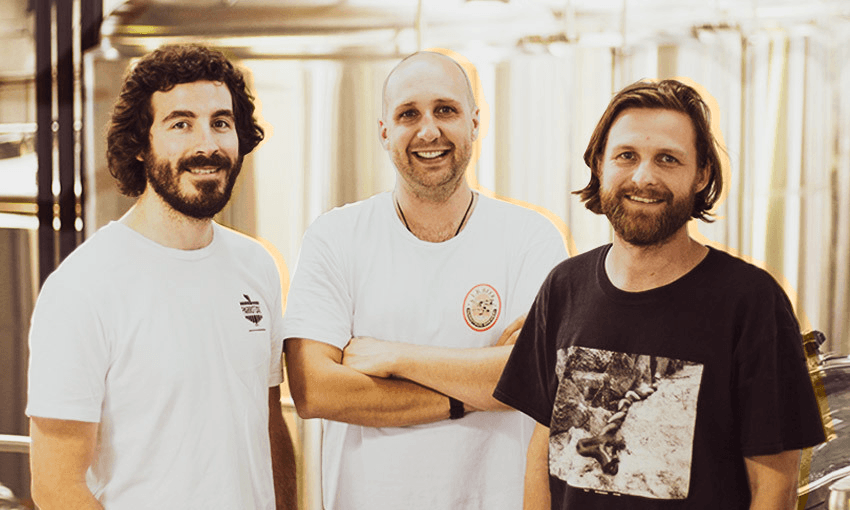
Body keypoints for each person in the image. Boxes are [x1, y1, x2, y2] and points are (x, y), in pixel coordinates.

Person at [494, 79, 826, 509]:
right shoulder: (564, 287)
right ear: (599, 165)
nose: (644, 177)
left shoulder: (751, 302)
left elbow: (773, 488)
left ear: (701, 174)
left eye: (668, 159)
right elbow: (543, 453)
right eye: (626, 156)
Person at [281, 50, 568, 509]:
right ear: (384, 132)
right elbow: (314, 389)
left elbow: (534, 375)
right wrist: (468, 392)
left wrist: (394, 357)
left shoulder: (531, 239)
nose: (428, 130)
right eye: (408, 114)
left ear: (475, 123)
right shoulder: (336, 237)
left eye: (446, 110)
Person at [27, 44, 296, 509]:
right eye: (180, 124)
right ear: (140, 144)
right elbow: (55, 486)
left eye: (221, 122)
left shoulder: (257, 266)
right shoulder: (83, 286)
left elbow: (268, 425)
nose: (206, 145)